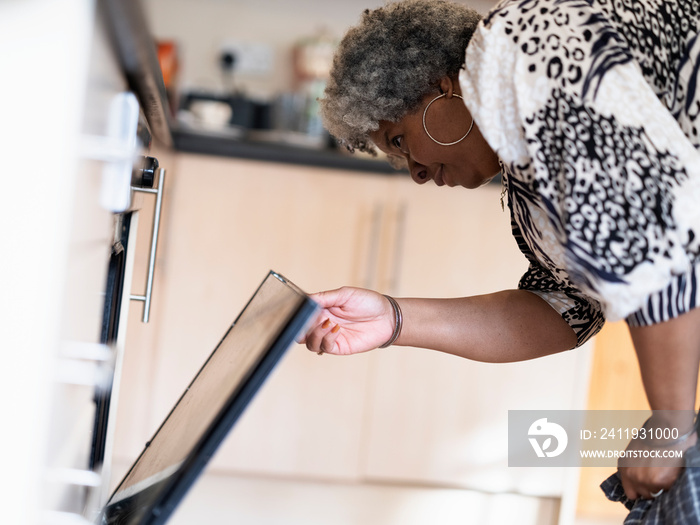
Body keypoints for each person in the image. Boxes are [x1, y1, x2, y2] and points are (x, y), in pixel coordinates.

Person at [300, 0, 700, 517]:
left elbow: (651, 231)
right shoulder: (523, 176)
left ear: (442, 88)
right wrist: (394, 318)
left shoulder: (523, 52)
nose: (414, 172)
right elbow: (564, 311)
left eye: (400, 141)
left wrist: (670, 422)